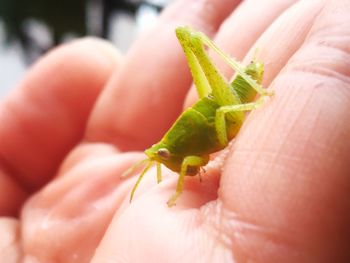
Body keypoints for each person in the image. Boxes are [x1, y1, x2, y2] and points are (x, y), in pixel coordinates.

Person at [1, 0, 349, 262]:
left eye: (165, 156)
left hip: (232, 105)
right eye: (165, 157)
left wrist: (251, 102)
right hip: (222, 109)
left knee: (198, 59)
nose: (168, 161)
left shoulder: (186, 153)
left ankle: (241, 77)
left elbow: (220, 116)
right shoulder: (179, 150)